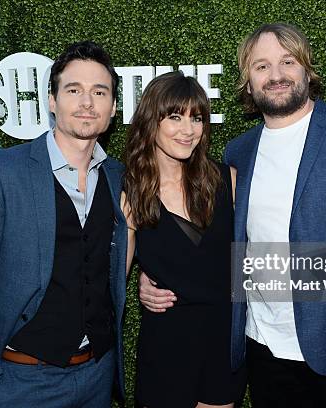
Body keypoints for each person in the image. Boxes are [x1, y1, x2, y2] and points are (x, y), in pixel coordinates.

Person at [140, 23, 326, 408]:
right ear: (248, 82)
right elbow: (208, 244)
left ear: (306, 69)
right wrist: (150, 276)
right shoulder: (239, 153)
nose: (277, 76)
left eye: (288, 62)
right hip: (261, 349)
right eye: (262, 66)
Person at [0, 41, 128, 408]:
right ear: (52, 101)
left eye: (99, 92)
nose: (87, 102)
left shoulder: (118, 177)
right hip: (17, 381)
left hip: (95, 378)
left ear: (113, 107)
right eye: (74, 90)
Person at [122, 71, 246, 408]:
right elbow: (114, 277)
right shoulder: (130, 192)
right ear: (152, 121)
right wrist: (140, 280)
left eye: (197, 118)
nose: (188, 129)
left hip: (221, 341)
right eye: (175, 117)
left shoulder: (227, 181)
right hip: (167, 346)